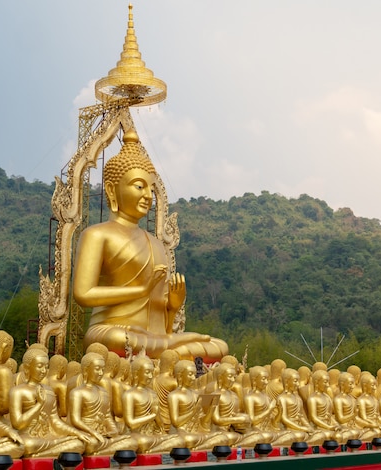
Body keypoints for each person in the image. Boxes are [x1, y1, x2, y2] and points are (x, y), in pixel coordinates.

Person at [73, 130, 228, 361]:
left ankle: (168, 346)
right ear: (112, 190)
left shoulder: (156, 244)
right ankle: (169, 347)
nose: (147, 195)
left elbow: (157, 312)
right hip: (111, 332)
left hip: (152, 337)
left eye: (150, 189)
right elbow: (83, 294)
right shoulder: (97, 235)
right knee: (120, 340)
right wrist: (141, 291)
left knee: (217, 345)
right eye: (138, 186)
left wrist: (172, 307)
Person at [9, 349, 88, 457]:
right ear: (27, 368)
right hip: (29, 437)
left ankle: (45, 453)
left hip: (49, 436)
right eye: (39, 366)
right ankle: (48, 452)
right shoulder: (18, 391)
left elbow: (55, 421)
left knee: (78, 444)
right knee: (26, 445)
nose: (43, 370)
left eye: (46, 367)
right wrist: (39, 404)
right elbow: (17, 424)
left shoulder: (48, 391)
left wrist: (75, 432)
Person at [68, 352, 138, 456]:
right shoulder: (77, 392)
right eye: (97, 369)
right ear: (86, 369)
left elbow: (107, 416)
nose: (101, 373)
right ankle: (100, 449)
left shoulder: (103, 391)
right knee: (89, 444)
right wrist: (93, 432)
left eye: (102, 369)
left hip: (104, 434)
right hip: (87, 434)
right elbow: (75, 420)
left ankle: (101, 450)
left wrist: (113, 431)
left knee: (132, 442)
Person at [122, 356, 184, 453]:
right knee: (139, 442)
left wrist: (162, 431)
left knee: (179, 441)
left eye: (151, 372)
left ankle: (153, 449)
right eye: (147, 372)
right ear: (136, 374)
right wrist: (152, 416)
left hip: (153, 434)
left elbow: (159, 422)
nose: (150, 376)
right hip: (137, 435)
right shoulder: (129, 394)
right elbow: (131, 424)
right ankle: (153, 448)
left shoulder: (152, 393)